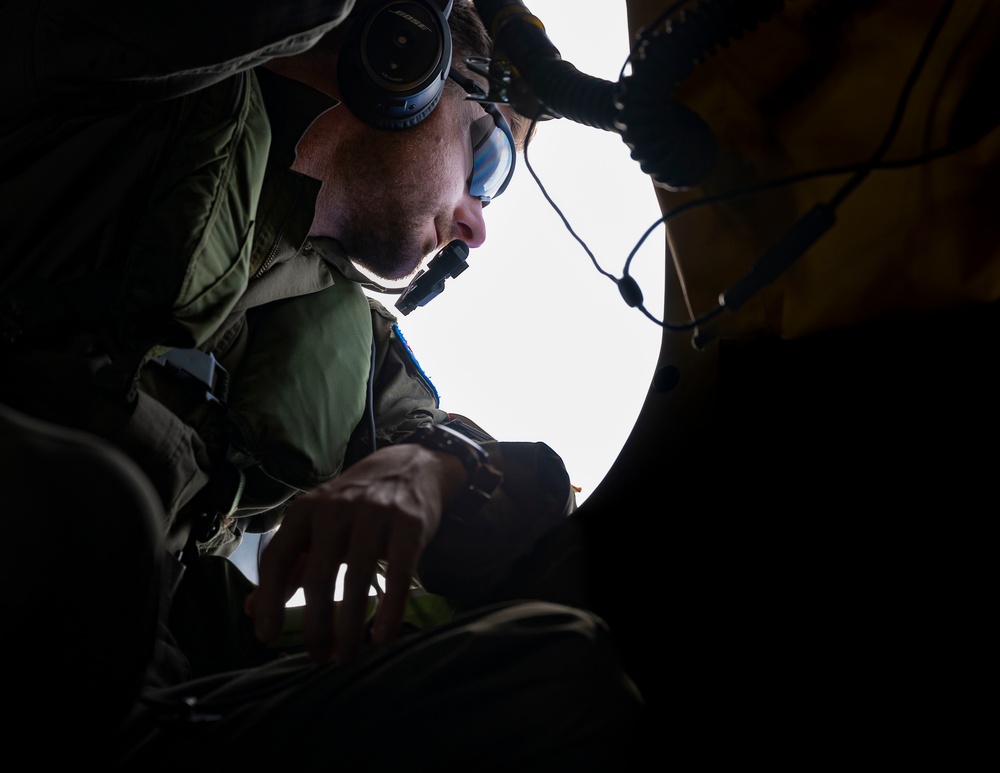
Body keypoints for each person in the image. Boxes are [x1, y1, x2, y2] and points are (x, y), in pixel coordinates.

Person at [0, 0, 644, 767]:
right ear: (403, 57)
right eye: (487, 162)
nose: (476, 225)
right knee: (99, 510)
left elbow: (517, 514)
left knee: (557, 675)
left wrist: (437, 463)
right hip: (42, 573)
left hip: (122, 698)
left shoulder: (350, 340)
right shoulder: (122, 67)